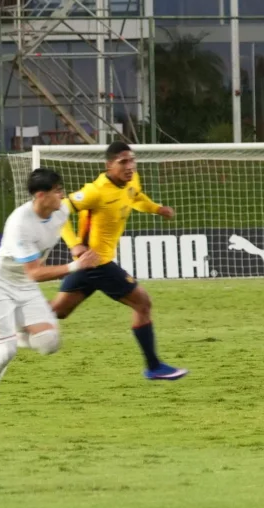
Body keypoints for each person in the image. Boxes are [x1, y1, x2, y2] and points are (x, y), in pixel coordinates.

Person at [52, 141, 188, 380]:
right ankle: (154, 366)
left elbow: (136, 198)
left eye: (132, 160)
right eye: (123, 162)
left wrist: (157, 209)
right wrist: (74, 244)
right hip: (99, 263)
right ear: (109, 165)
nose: (130, 166)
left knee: (57, 312)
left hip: (90, 266)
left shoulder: (131, 181)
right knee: (142, 303)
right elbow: (59, 209)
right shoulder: (95, 191)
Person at [0, 168, 99, 407]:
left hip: (24, 285)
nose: (62, 195)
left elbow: (87, 202)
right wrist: (76, 265)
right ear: (40, 195)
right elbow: (36, 272)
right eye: (57, 190)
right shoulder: (19, 224)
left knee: (49, 342)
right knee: (6, 352)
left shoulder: (60, 210)